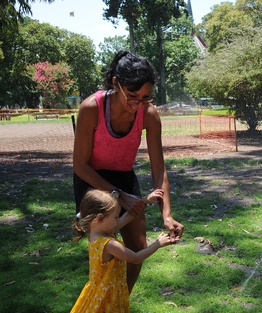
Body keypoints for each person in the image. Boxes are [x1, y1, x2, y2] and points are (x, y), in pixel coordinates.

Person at [73, 50, 184, 293]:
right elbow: (80, 165)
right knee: (105, 249)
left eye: (146, 97)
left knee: (136, 248)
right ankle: (99, 302)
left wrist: (167, 214)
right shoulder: (91, 107)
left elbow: (158, 167)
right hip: (93, 181)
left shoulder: (150, 114)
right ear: (116, 83)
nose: (138, 104)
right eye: (132, 96)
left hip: (124, 177)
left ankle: (121, 302)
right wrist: (118, 194)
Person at [71, 189, 175, 313]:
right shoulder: (109, 244)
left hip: (97, 292)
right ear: (100, 218)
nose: (118, 220)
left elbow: (129, 215)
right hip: (108, 296)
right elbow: (135, 258)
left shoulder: (95, 233)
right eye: (115, 217)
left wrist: (145, 201)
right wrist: (157, 244)